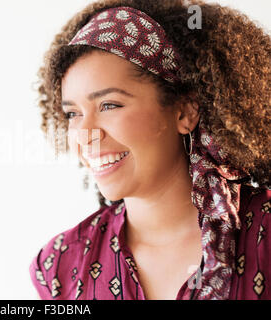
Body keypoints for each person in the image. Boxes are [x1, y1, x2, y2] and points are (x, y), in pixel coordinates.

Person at [29, 0, 270, 300]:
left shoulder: (265, 234)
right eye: (73, 114)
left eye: (109, 105)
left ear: (184, 111)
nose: (85, 135)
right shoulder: (61, 266)